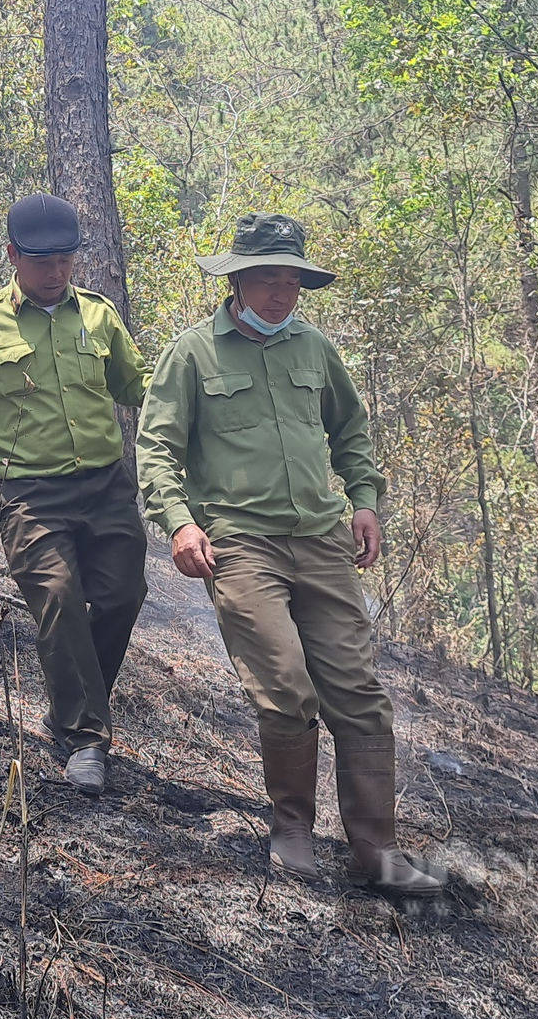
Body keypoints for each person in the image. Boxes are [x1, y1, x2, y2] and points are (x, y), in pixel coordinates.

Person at [135, 212, 442, 897]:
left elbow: (351, 433)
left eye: (291, 281)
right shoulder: (191, 354)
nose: (280, 294)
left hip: (324, 541)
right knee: (285, 686)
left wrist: (364, 499)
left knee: (359, 696)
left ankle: (377, 850)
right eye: (266, 280)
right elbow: (156, 450)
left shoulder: (314, 349)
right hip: (241, 545)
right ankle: (293, 830)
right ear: (236, 280)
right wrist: (180, 524)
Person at [0, 193, 151, 796]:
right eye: (41, 261)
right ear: (12, 256)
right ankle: (84, 738)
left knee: (123, 594)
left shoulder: (100, 317)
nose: (56, 272)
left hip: (106, 487)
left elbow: (142, 390)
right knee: (57, 595)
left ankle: (69, 708)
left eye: (66, 260)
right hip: (30, 494)